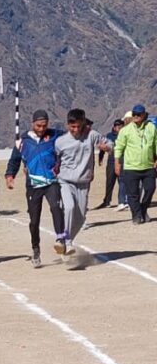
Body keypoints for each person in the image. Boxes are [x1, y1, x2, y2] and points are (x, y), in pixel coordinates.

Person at [5, 110, 66, 267]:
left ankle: (61, 239)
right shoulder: (22, 141)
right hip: (33, 185)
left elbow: (72, 137)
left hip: (52, 182)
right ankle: (36, 249)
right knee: (34, 220)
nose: (41, 128)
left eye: (44, 125)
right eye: (39, 125)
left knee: (56, 207)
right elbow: (14, 160)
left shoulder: (56, 136)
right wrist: (10, 175)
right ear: (32, 124)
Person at [55, 109, 112, 255]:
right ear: (68, 125)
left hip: (84, 183)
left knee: (80, 219)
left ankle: (66, 243)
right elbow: (53, 161)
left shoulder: (91, 136)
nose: (75, 130)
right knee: (69, 207)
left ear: (83, 124)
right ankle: (66, 241)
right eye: (72, 127)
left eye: (78, 126)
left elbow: (110, 144)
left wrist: (107, 148)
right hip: (65, 182)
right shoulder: (60, 142)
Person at [114, 104, 157, 224]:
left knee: (150, 189)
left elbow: (156, 143)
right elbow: (119, 147)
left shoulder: (151, 128)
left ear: (144, 115)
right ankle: (136, 216)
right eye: (134, 114)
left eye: (139, 114)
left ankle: (143, 210)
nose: (136, 116)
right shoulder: (125, 130)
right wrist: (117, 163)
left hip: (148, 166)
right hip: (131, 167)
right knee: (132, 194)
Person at [95, 119, 127, 210]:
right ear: (114, 127)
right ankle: (107, 201)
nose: (119, 129)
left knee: (122, 182)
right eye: (118, 127)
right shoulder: (109, 136)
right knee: (109, 182)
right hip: (111, 162)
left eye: (121, 127)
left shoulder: (125, 135)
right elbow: (103, 148)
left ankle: (122, 201)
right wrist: (100, 158)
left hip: (122, 161)